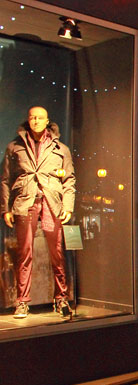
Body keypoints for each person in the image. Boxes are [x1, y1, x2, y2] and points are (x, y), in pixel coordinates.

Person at [1, 106, 76, 319]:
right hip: (25, 203)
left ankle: (61, 298)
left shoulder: (61, 149)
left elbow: (69, 179)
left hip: (51, 204)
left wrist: (68, 206)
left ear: (47, 120)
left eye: (40, 117)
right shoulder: (14, 147)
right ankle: (22, 302)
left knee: (57, 251)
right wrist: (6, 208)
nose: (35, 121)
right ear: (28, 119)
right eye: (32, 117)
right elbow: (5, 180)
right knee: (25, 253)